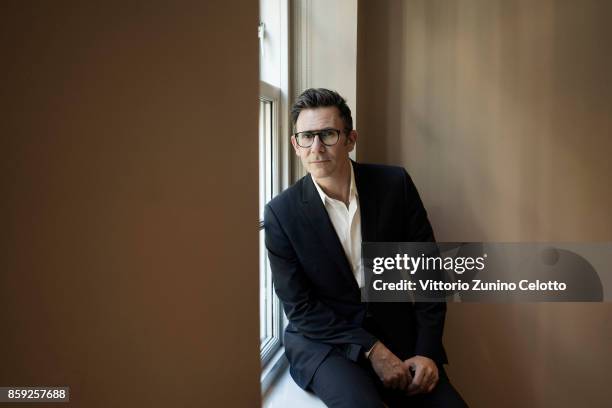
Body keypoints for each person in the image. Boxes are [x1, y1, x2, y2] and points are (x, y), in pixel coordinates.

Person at [264, 88, 467, 407]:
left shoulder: (394, 186)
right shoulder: (281, 213)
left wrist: (427, 351)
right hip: (325, 343)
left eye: (328, 134)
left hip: (397, 332)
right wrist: (372, 349)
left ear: (350, 138)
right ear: (296, 145)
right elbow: (300, 308)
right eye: (306, 137)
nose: (316, 147)